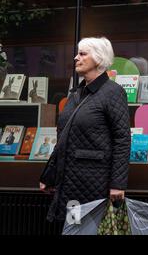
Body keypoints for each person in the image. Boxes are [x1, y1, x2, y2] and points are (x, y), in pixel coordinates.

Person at [39, 37, 131, 223]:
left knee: (86, 228)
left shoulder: (113, 92)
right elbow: (63, 139)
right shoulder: (76, 93)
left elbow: (122, 139)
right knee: (73, 228)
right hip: (69, 180)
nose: (76, 58)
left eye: (82, 54)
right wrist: (49, 175)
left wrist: (117, 185)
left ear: (98, 59)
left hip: (94, 182)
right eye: (77, 53)